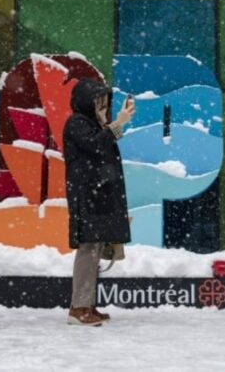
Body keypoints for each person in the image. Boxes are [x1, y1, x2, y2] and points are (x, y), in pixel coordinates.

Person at [63, 79, 135, 326]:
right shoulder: (76, 124)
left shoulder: (92, 124)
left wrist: (109, 123)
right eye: (97, 102)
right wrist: (117, 124)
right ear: (86, 102)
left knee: (94, 252)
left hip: (98, 198)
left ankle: (87, 304)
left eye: (104, 102)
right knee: (88, 251)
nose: (101, 106)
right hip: (87, 198)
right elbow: (95, 146)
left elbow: (102, 146)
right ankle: (79, 307)